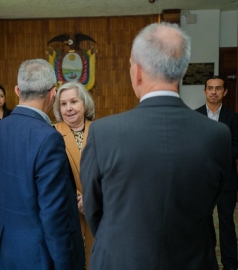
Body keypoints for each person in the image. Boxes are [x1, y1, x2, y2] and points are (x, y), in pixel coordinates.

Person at [80, 22, 232, 270]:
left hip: (121, 260)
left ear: (137, 72)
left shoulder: (103, 133)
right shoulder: (217, 135)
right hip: (192, 259)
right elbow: (210, 200)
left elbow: (94, 209)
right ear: (181, 73)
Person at [0, 59, 85, 270]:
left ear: (17, 90)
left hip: (4, 247)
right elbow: (53, 213)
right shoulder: (49, 137)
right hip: (40, 255)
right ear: (52, 94)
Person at [196, 75, 238, 270]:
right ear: (204, 91)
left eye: (218, 88)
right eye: (210, 88)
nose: (214, 92)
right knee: (202, 222)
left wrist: (216, 159)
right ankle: (207, 260)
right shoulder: (195, 117)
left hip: (226, 179)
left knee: (226, 221)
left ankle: (230, 263)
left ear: (224, 92)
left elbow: (236, 146)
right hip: (202, 181)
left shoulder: (233, 118)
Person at [53, 81, 95, 269]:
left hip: (98, 211)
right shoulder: (51, 134)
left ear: (85, 103)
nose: (68, 108)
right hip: (67, 211)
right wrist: (77, 197)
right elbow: (51, 177)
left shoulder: (100, 131)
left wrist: (92, 198)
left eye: (73, 102)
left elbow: (111, 172)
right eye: (63, 104)